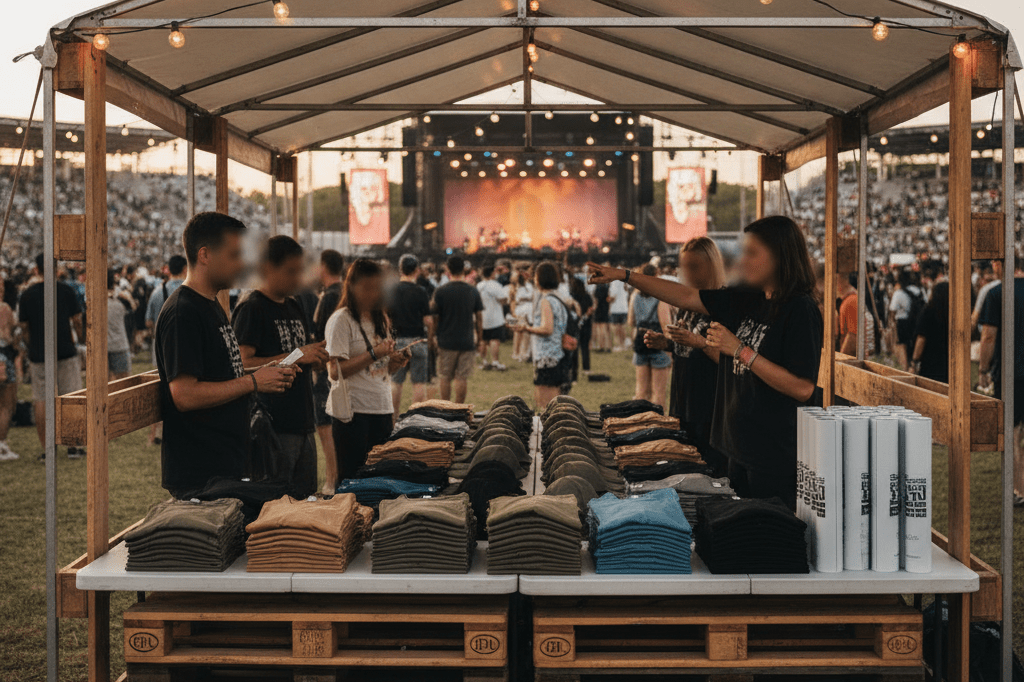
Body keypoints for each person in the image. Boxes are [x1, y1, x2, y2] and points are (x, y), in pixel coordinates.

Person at [589, 215, 823, 509]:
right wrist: (625, 275)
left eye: (752, 253)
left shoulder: (800, 309)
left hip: (773, 454)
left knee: (765, 539)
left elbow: (802, 387)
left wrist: (740, 350)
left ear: (779, 256)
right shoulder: (750, 298)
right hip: (738, 446)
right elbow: (686, 296)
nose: (743, 260)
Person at [155, 212, 297, 498]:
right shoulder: (184, 311)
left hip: (224, 467)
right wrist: (255, 382)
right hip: (201, 476)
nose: (242, 264)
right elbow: (184, 395)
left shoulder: (210, 303)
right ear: (205, 255)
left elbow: (221, 373)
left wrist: (263, 372)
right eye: (234, 255)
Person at [232, 235, 328, 498]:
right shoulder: (252, 307)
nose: (298, 278)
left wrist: (316, 357)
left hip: (304, 422)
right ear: (267, 268)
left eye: (300, 271)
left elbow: (298, 354)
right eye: (290, 271)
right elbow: (242, 364)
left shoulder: (294, 305)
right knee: (276, 506)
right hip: (272, 427)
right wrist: (298, 355)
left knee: (306, 501)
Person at [644, 236, 726, 476]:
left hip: (708, 407)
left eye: (693, 266)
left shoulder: (721, 303)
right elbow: (688, 347)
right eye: (684, 266)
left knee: (706, 473)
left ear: (710, 267)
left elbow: (730, 359)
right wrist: (668, 343)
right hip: (683, 401)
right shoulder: (688, 302)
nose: (686, 272)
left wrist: (699, 343)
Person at [325, 258, 408, 481]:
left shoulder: (381, 318)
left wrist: (395, 363)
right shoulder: (341, 320)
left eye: (377, 288)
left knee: (381, 480)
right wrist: (374, 354)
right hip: (352, 413)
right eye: (367, 288)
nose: (373, 294)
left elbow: (381, 371)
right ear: (351, 286)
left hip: (381, 407)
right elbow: (335, 372)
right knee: (353, 481)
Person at [18, 254, 84, 459]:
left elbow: (24, 327)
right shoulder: (66, 290)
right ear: (57, 269)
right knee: (72, 397)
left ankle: (48, 449)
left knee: (41, 401)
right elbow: (77, 321)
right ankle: (73, 446)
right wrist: (79, 339)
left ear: (36, 270)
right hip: (65, 350)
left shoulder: (27, 294)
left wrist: (31, 345)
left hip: (39, 353)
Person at [978, 255, 1024, 505]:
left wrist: (983, 369)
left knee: (1013, 433)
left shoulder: (997, 294)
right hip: (1013, 371)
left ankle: (1020, 489)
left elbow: (988, 337)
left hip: (1011, 373)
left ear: (998, 264)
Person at [513, 261, 570, 408]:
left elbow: (547, 329)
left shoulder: (546, 301)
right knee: (556, 404)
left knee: (545, 405)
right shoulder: (558, 298)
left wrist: (527, 328)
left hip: (547, 356)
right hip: (557, 355)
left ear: (540, 278)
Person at [311, 249, 345, 493]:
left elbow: (323, 339)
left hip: (329, 369)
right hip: (347, 369)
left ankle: (332, 480)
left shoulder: (329, 298)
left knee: (325, 427)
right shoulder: (347, 293)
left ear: (323, 267)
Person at [431, 255, 483, 403]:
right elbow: (479, 317)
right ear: (464, 270)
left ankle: (446, 408)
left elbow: (435, 318)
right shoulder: (473, 291)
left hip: (446, 340)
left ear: (448, 269)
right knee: (461, 377)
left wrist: (433, 336)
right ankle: (459, 409)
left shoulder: (440, 291)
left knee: (445, 377)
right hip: (466, 340)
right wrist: (480, 337)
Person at [389, 253, 434, 413]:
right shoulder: (421, 291)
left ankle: (392, 418)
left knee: (395, 382)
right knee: (419, 383)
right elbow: (428, 321)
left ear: (400, 270)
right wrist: (429, 339)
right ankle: (413, 419)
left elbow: (386, 318)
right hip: (418, 340)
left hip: (398, 341)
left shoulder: (392, 290)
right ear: (416, 270)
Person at [629, 263, 673, 408]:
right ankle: (656, 426)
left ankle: (638, 423)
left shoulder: (635, 296)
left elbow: (631, 321)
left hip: (641, 343)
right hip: (658, 345)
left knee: (641, 392)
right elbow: (666, 326)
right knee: (658, 394)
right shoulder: (661, 297)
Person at [910, 281, 949, 383]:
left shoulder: (928, 311)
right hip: (949, 362)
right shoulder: (953, 313)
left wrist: (914, 361)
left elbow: (921, 338)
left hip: (929, 361)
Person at [888, 269, 924, 370]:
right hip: (916, 321)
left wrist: (893, 323)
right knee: (913, 342)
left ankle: (906, 367)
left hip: (902, 322)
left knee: (903, 345)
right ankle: (914, 364)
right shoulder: (918, 290)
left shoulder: (898, 293)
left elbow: (892, 310)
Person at [0, 279, 19, 461]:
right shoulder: (5, 308)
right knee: (6, 405)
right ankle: (2, 444)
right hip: (4, 357)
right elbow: (7, 335)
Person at [477, 264, 508, 371]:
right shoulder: (494, 285)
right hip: (495, 317)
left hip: (482, 316)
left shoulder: (479, 285)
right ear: (492, 273)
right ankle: (495, 362)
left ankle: (484, 361)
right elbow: (503, 299)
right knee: (494, 340)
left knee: (483, 340)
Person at [107, 269, 136, 381]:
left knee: (104, 385)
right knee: (123, 383)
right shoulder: (122, 297)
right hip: (119, 344)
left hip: (102, 346)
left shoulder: (93, 298)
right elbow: (133, 308)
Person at [838, 273, 875, 357]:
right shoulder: (850, 300)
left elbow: (853, 337)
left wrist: (839, 361)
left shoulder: (851, 301)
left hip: (851, 361)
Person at [569, 276, 594, 378]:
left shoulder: (571, 297)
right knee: (585, 348)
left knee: (574, 350)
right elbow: (591, 309)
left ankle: (574, 373)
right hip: (586, 324)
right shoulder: (587, 296)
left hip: (574, 325)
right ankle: (586, 368)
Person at [511, 267, 535, 362]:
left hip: (520, 309)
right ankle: (523, 353)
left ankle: (517, 353)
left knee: (518, 332)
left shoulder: (517, 287)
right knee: (525, 332)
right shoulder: (528, 286)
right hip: (526, 310)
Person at [607, 266, 629, 351]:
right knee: (622, 327)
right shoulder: (625, 281)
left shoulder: (615, 281)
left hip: (616, 308)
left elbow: (612, 296)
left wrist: (607, 299)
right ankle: (624, 344)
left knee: (616, 329)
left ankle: (620, 345)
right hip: (624, 308)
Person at [592, 276, 611, 352]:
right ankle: (608, 346)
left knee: (600, 330)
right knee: (606, 329)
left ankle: (602, 347)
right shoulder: (607, 287)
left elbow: (595, 301)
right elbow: (609, 299)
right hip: (605, 309)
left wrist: (593, 309)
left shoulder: (597, 288)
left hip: (599, 310)